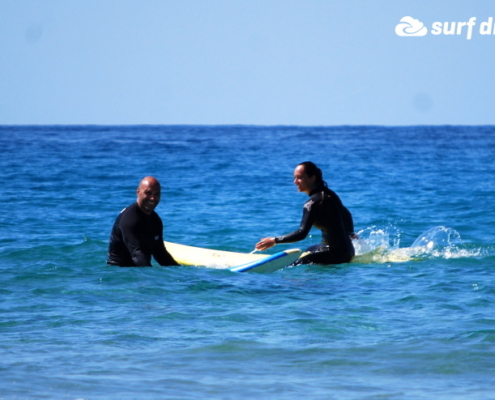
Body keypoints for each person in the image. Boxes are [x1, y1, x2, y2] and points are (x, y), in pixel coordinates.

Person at [255, 162, 356, 265]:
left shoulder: (312, 203)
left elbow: (301, 234)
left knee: (295, 264)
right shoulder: (329, 195)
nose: (295, 182)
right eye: (295, 178)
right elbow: (347, 214)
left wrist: (274, 240)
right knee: (309, 249)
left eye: (299, 177)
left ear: (312, 178)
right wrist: (351, 233)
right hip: (348, 251)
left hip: (336, 255)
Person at [107, 176, 180, 267]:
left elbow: (160, 253)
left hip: (138, 271)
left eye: (156, 194)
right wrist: (151, 277)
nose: (152, 198)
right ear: (138, 192)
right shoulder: (130, 219)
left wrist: (181, 275)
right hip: (121, 273)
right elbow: (137, 255)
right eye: (148, 193)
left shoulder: (155, 220)